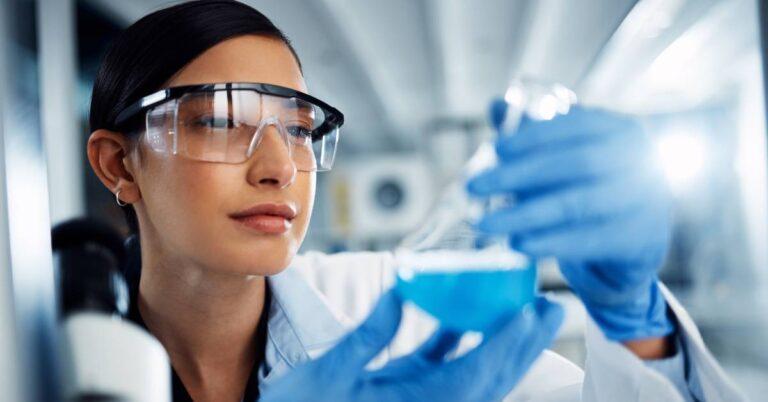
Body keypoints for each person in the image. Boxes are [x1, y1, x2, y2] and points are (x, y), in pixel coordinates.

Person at [85, 1, 746, 401]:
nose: (281, 166)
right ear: (120, 164)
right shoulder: (41, 355)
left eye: (298, 129)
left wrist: (638, 324)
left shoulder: (403, 309)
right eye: (221, 120)